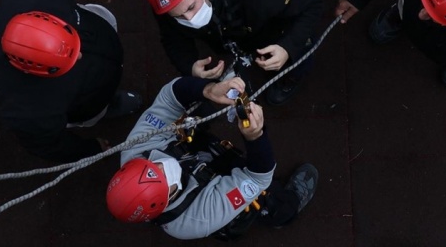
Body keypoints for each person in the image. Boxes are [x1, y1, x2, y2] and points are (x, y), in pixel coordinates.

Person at [106, 75, 318, 240]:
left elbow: (170, 97)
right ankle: (282, 211)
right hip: (209, 192)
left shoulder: (136, 148)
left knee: (194, 122)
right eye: (161, 175)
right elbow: (258, 177)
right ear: (164, 201)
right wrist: (255, 137)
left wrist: (208, 90)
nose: (160, 165)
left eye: (151, 165)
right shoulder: (198, 218)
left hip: (196, 157)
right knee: (264, 198)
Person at [0, 0, 143, 163]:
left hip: (95, 32)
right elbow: (50, 146)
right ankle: (108, 105)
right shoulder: (27, 113)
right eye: (64, 61)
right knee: (93, 113)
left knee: (102, 18)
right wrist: (88, 149)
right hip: (88, 101)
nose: (80, 56)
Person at [143, 0, 324, 105]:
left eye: (191, 7)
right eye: (179, 16)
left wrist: (288, 47)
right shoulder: (168, 4)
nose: (190, 19)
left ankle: (289, 79)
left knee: (300, 54)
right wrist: (189, 66)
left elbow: (312, 5)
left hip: (275, 29)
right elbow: (172, 38)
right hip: (236, 33)